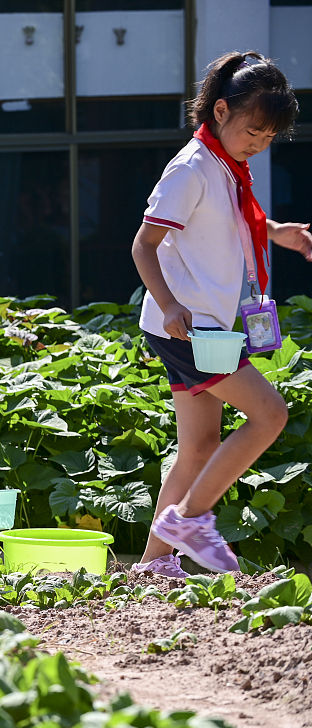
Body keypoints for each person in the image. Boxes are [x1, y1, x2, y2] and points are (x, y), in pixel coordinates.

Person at [130, 51, 309, 578]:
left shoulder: (224, 164)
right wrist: (169, 304)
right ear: (222, 110)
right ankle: (190, 519)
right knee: (270, 414)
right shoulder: (191, 168)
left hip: (201, 328)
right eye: (254, 131)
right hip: (188, 330)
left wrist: (275, 232)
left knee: (199, 445)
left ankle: (153, 564)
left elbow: (225, 222)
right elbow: (143, 244)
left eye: (269, 137)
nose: (259, 143)